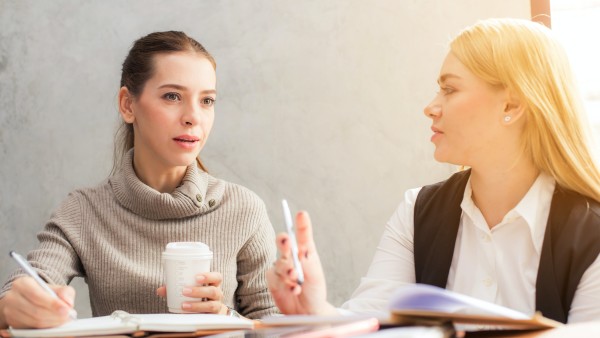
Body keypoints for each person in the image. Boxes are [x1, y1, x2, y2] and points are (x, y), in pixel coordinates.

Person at [267, 18, 600, 324]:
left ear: (511, 105)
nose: (430, 107)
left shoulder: (591, 233)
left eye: (450, 89)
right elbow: (371, 324)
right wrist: (316, 310)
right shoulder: (418, 211)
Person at [0, 31, 278, 329]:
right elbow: (23, 289)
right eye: (172, 96)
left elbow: (279, 326)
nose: (193, 117)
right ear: (127, 105)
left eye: (207, 100)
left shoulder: (244, 209)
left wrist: (228, 320)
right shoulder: (83, 211)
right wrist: (16, 306)